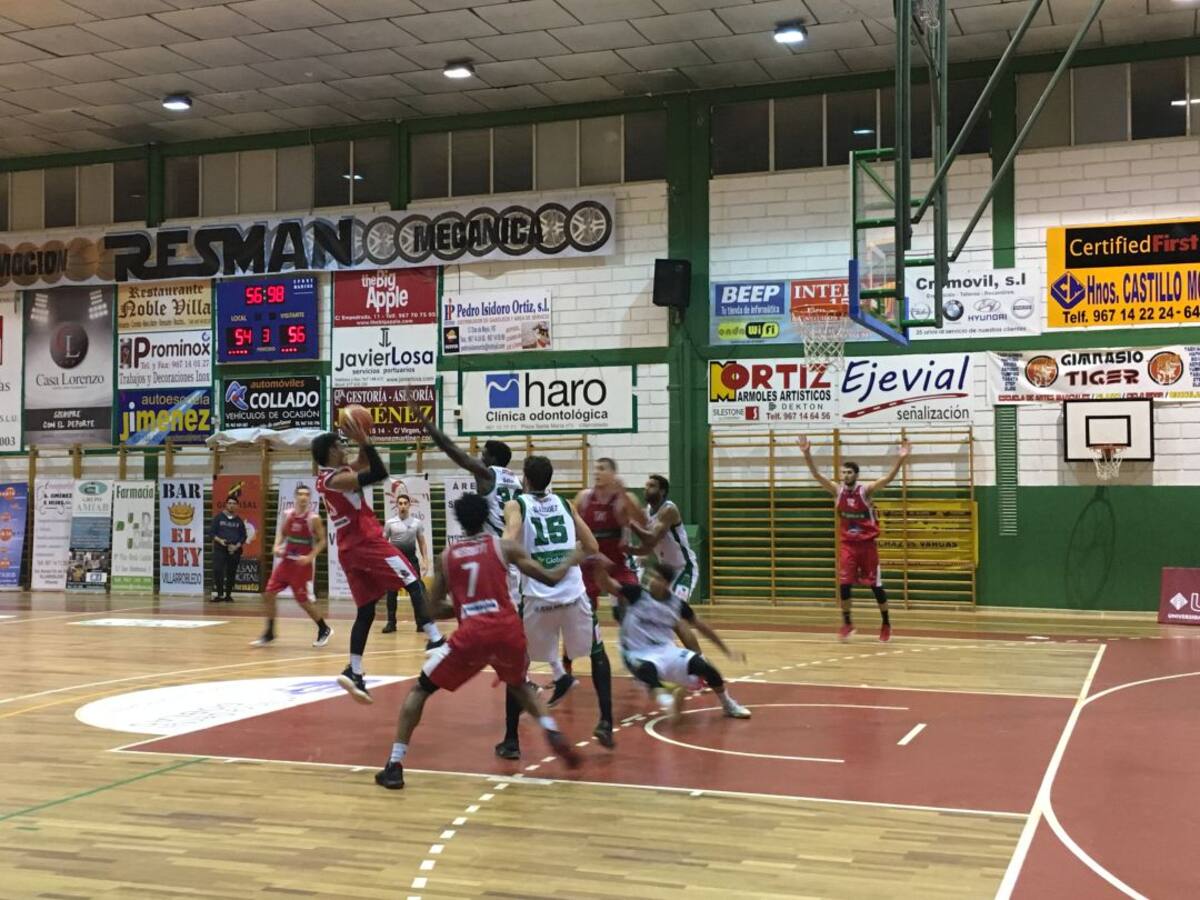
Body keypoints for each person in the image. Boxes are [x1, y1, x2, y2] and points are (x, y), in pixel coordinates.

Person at [375, 493, 584, 790]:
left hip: (472, 634)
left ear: (459, 520)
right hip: (508, 631)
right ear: (488, 516)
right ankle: (551, 729)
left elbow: (432, 609)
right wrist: (572, 558)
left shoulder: (447, 556)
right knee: (519, 685)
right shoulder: (504, 547)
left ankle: (395, 765)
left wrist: (463, 607)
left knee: (420, 690)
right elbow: (550, 578)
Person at [311, 424, 441, 705]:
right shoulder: (335, 479)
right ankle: (435, 639)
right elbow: (378, 473)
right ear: (331, 451)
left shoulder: (333, 475)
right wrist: (366, 440)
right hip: (365, 541)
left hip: (350, 549)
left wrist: (363, 441)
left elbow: (364, 461)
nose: (345, 447)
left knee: (366, 610)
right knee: (413, 580)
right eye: (341, 445)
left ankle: (354, 671)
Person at [496, 455, 610, 758]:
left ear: (525, 479)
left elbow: (508, 542)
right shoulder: (565, 504)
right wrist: (566, 559)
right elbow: (592, 547)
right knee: (597, 653)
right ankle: (606, 722)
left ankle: (511, 741)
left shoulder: (516, 505)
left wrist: (509, 557)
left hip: (538, 597)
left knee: (517, 665)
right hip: (572, 594)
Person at [597, 561, 751, 722]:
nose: (651, 581)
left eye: (657, 578)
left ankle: (728, 704)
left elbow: (702, 627)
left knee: (705, 668)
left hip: (665, 650)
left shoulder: (677, 605)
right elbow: (607, 584)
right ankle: (669, 703)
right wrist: (598, 565)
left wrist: (727, 650)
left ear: (666, 583)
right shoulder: (636, 594)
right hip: (636, 652)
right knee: (648, 671)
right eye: (651, 577)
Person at [551, 457, 647, 714]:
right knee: (578, 616)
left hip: (617, 563)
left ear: (613, 474)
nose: (597, 472)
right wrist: (589, 554)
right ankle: (566, 669)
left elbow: (643, 523)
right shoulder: (584, 498)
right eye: (595, 468)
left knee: (635, 605)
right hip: (590, 564)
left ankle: (641, 661)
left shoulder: (624, 499)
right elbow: (570, 528)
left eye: (602, 469)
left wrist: (625, 495)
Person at [797, 436, 910, 642]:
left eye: (849, 472)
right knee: (844, 584)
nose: (845, 475)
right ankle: (847, 623)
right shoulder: (837, 491)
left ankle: (886, 623)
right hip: (848, 545)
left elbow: (888, 478)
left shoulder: (865, 491)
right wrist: (807, 453)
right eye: (843, 472)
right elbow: (816, 475)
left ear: (856, 475)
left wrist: (901, 458)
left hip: (867, 545)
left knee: (876, 586)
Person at [251, 485, 332, 648]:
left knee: (303, 601)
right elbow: (282, 533)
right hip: (286, 563)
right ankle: (270, 632)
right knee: (268, 593)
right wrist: (276, 546)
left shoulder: (313, 518)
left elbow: (323, 541)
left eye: (306, 495)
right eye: (300, 494)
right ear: (295, 497)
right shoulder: (288, 514)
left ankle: (324, 628)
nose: (303, 497)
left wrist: (310, 557)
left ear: (309, 498)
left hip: (301, 566)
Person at [381, 492, 442, 647]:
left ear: (409, 505)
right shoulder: (390, 523)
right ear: (397, 505)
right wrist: (382, 561)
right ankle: (391, 622)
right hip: (394, 560)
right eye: (400, 503)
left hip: (411, 560)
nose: (402, 506)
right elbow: (383, 543)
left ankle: (420, 623)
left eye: (405, 503)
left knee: (417, 592)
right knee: (391, 592)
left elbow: (422, 542)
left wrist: (425, 560)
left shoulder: (416, 523)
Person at [628, 475, 698, 605]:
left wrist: (631, 524)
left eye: (651, 486)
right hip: (665, 570)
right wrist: (642, 553)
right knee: (653, 608)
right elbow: (647, 538)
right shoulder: (647, 511)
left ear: (662, 491)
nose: (646, 488)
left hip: (683, 568)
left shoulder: (669, 510)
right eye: (646, 486)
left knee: (675, 608)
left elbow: (652, 538)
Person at [211, 495, 246, 603]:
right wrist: (220, 541)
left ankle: (228, 595)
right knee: (218, 570)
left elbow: (243, 536)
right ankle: (220, 594)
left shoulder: (239, 521)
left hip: (234, 550)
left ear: (237, 506)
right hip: (220, 548)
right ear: (226, 504)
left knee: (231, 572)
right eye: (229, 503)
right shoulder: (218, 518)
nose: (231, 505)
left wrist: (236, 546)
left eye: (234, 504)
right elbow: (212, 533)